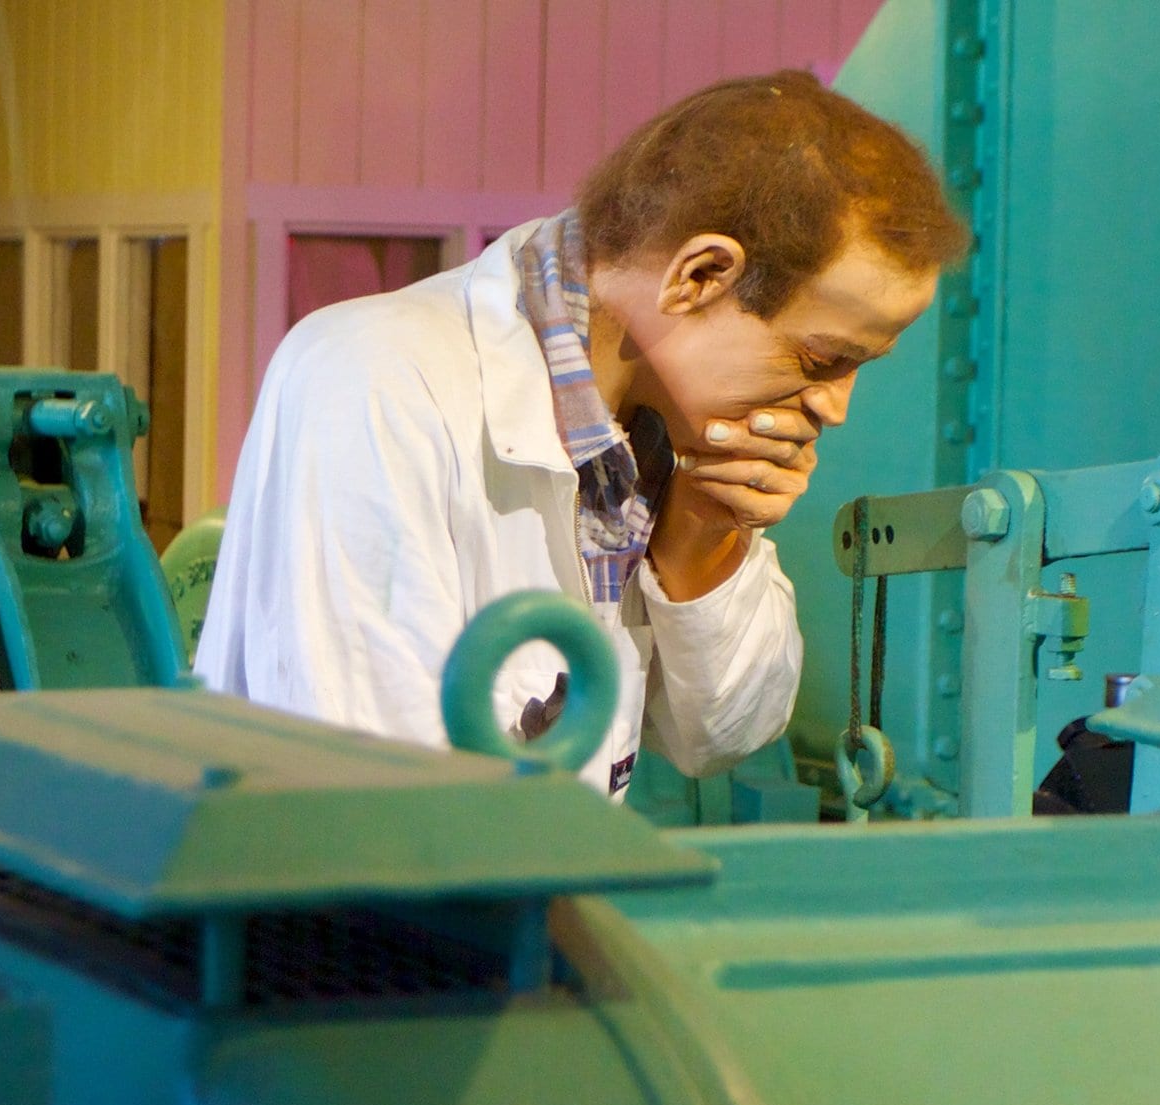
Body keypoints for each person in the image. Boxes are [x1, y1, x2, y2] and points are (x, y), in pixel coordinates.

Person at [193, 71, 967, 798]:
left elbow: (721, 736)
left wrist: (705, 535)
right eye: (823, 357)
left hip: (511, 910)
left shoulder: (665, 440)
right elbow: (375, 790)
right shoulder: (376, 377)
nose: (835, 407)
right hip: (347, 932)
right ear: (696, 277)